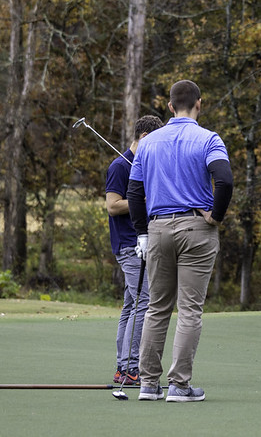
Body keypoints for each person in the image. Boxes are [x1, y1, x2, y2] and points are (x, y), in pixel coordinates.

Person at [128, 79, 234, 402]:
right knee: (189, 310)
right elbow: (225, 180)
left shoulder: (148, 143)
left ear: (170, 107)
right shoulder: (208, 139)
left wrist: (143, 233)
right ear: (199, 104)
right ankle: (179, 386)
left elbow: (134, 192)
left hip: (158, 230)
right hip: (196, 229)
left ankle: (148, 384)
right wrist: (215, 216)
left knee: (156, 308)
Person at [106, 115, 164, 385]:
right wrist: (141, 199)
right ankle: (131, 368)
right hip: (128, 245)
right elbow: (112, 205)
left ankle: (122, 367)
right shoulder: (119, 166)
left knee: (131, 305)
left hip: (141, 243)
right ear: (143, 137)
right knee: (145, 300)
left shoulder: (144, 165)